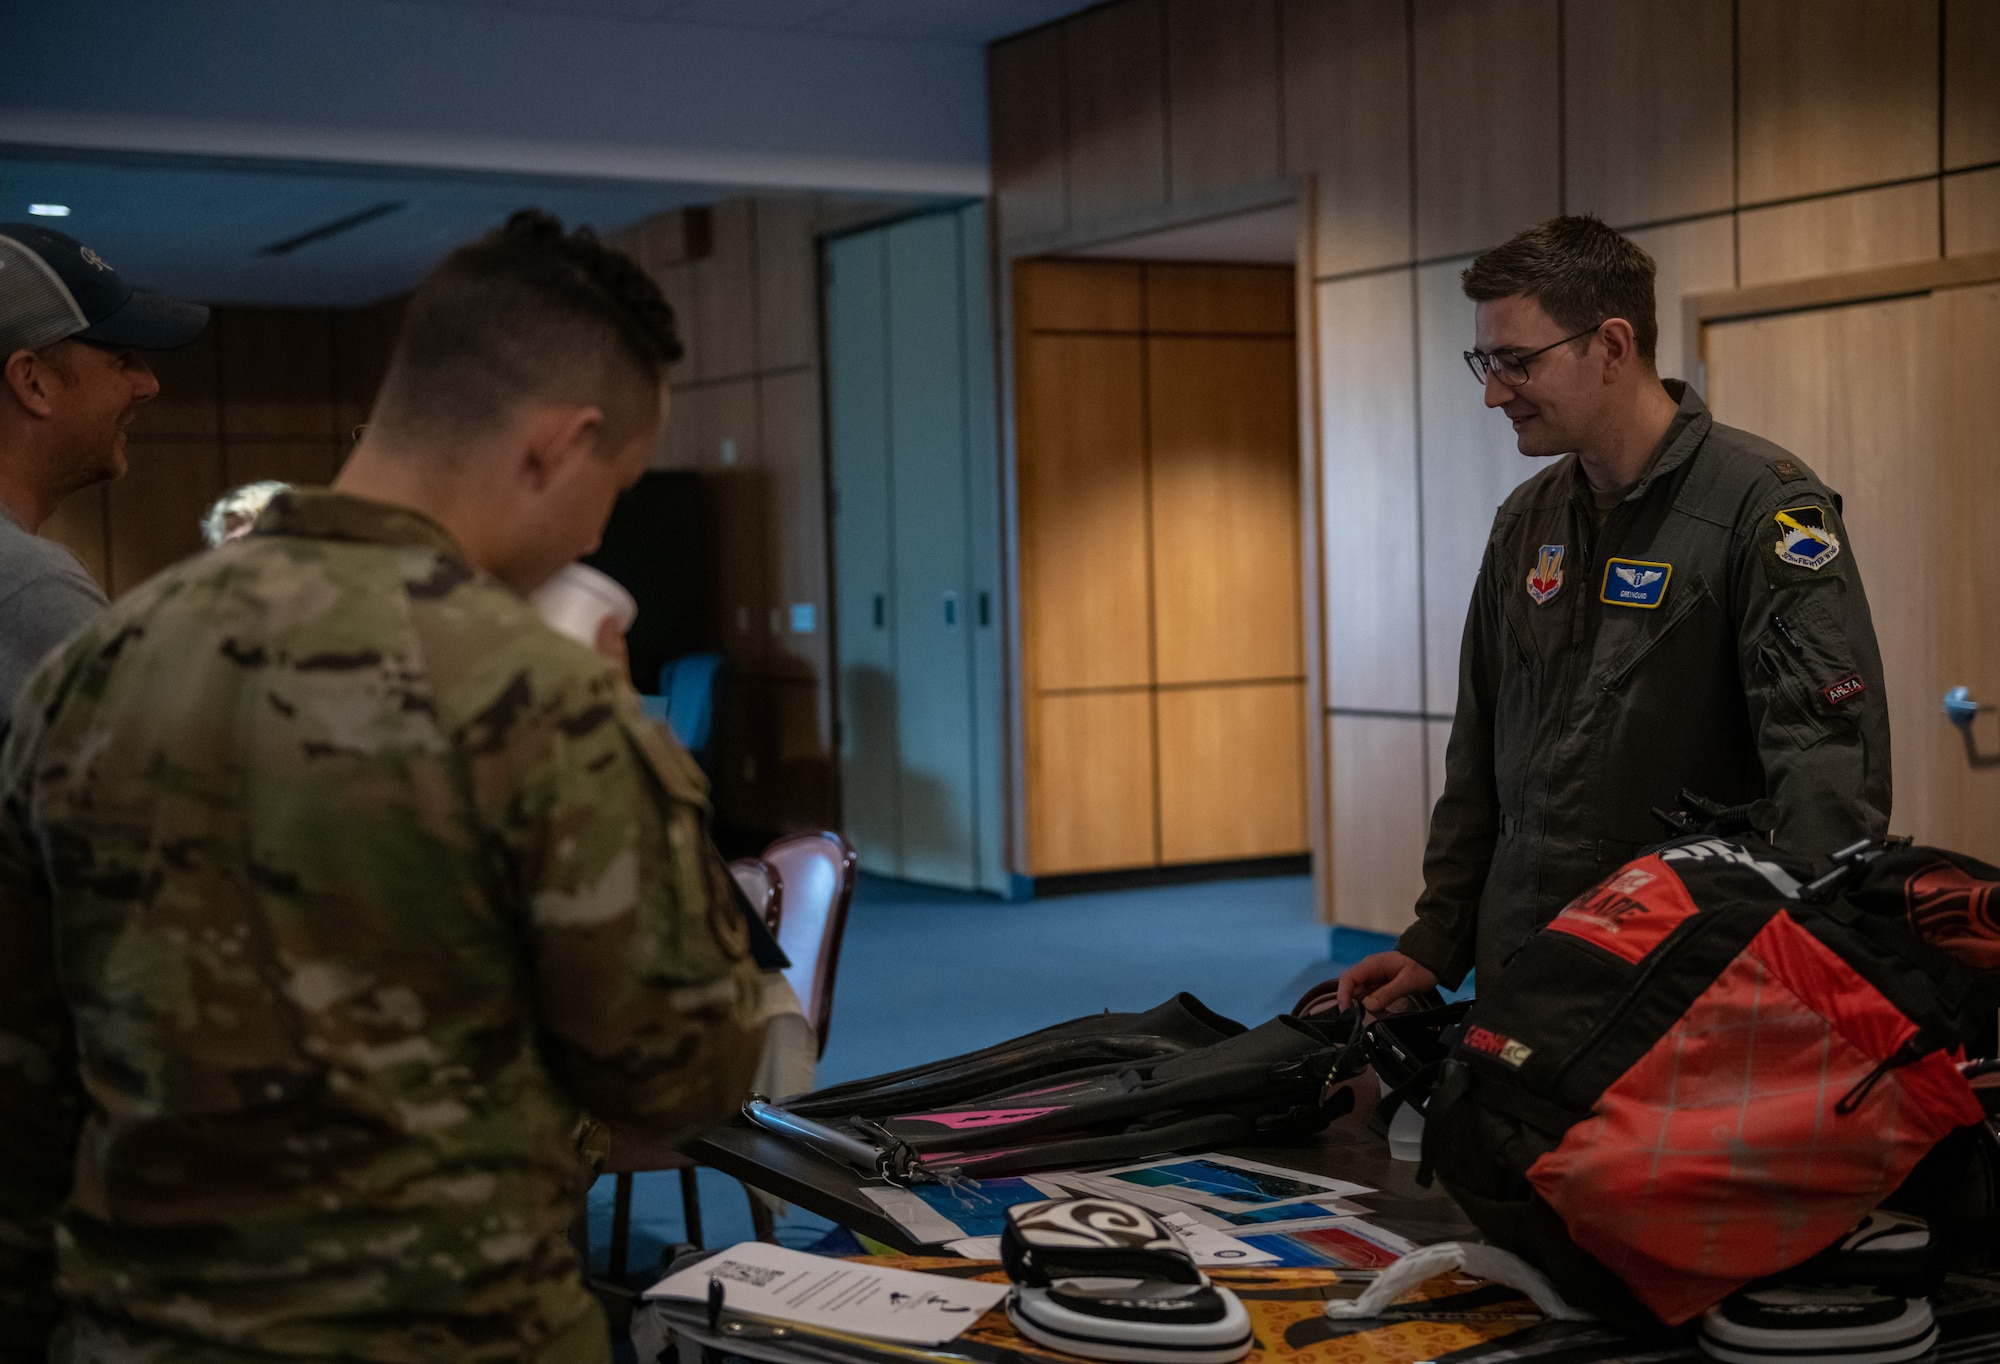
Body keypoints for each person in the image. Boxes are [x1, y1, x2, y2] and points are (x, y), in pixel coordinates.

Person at [0, 211, 765, 1362]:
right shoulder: (543, 699)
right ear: (560, 446)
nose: (600, 523)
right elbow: (683, 1074)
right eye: (617, 480)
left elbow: (22, 1083)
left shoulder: (95, 661)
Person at [1339, 215, 1889, 1015]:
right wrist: (1436, 940)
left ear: (1613, 346)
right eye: (1485, 362)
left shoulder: (1765, 511)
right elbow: (1479, 753)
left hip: (1680, 983)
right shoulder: (1526, 522)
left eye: (1517, 362)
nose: (1494, 393)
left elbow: (1825, 780)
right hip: (1525, 967)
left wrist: (1791, 980)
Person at [0, 223, 208, 709]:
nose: (149, 384)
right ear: (32, 383)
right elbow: (145, 780)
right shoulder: (28, 584)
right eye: (122, 359)